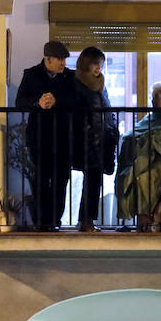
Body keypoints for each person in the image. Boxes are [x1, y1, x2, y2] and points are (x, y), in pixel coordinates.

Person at [14, 40, 78, 231]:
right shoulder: (31, 74)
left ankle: (55, 221)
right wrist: (37, 102)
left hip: (63, 137)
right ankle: (42, 222)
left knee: (61, 181)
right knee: (40, 180)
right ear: (48, 59)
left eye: (65, 59)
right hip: (39, 137)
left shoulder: (70, 77)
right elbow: (20, 101)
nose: (63, 63)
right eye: (59, 59)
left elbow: (76, 101)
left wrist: (56, 101)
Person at [115, 83, 161, 230]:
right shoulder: (153, 116)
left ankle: (148, 221)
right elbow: (134, 132)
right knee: (126, 176)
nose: (152, 102)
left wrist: (147, 138)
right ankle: (143, 221)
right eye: (152, 98)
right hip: (149, 159)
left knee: (143, 179)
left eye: (156, 98)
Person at [71, 46, 118, 233]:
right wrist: (89, 131)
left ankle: (87, 220)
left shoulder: (100, 84)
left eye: (100, 64)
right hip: (86, 139)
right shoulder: (77, 84)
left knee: (94, 181)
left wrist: (112, 129)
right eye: (95, 64)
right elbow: (78, 113)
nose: (99, 68)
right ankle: (86, 221)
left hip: (102, 138)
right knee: (91, 180)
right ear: (86, 64)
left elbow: (106, 109)